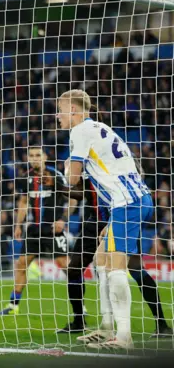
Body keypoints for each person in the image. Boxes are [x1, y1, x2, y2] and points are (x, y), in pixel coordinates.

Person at [59, 89, 153, 349]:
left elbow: (72, 181)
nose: (57, 115)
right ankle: (106, 327)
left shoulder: (78, 132)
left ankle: (124, 337)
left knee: (116, 266)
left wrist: (67, 167)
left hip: (127, 203)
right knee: (101, 258)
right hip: (129, 200)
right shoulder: (100, 127)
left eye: (61, 109)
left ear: (74, 110)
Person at [59, 173, 172, 336]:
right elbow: (82, 192)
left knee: (135, 269)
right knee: (74, 269)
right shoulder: (89, 165)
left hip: (122, 221)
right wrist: (58, 187)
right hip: (93, 224)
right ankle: (79, 321)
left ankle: (162, 324)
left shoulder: (118, 160)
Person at [0, 146, 73, 316]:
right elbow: (23, 202)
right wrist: (18, 225)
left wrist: (63, 220)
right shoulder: (26, 178)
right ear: (28, 158)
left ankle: (80, 306)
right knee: (21, 264)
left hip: (54, 229)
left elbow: (72, 198)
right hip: (34, 230)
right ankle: (13, 306)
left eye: (38, 155)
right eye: (32, 155)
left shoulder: (55, 176)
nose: (35, 158)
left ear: (45, 157)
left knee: (65, 265)